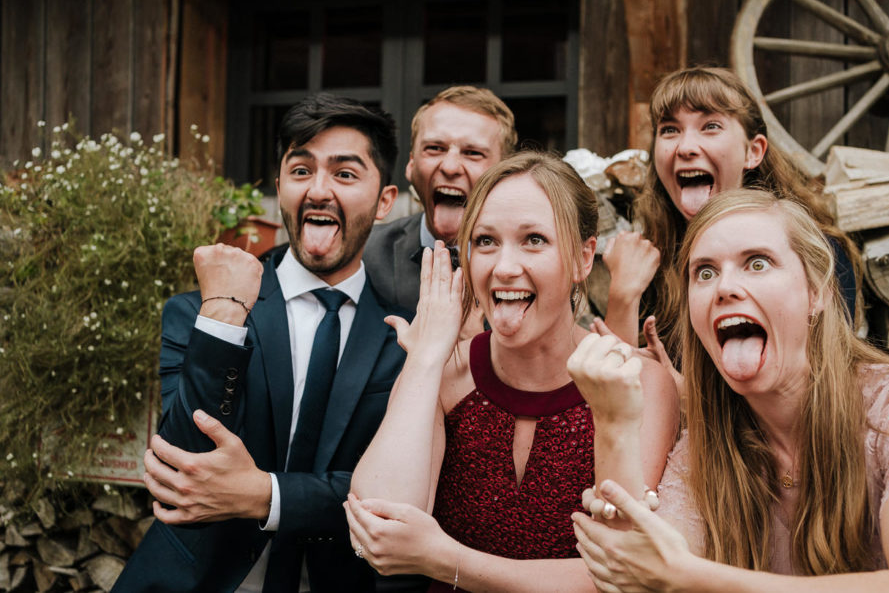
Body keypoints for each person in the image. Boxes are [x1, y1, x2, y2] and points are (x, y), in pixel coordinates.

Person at [571, 189, 889, 592]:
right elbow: (627, 577)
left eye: (758, 263)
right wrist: (614, 422)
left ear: (818, 293)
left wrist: (692, 578)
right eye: (704, 273)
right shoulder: (707, 450)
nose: (725, 287)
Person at [115, 94, 412, 592]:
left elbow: (395, 499)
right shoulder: (197, 312)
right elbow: (181, 470)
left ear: (385, 200)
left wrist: (265, 496)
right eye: (301, 170)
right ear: (280, 188)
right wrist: (225, 315)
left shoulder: (404, 337)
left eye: (344, 174)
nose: (319, 190)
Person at [345, 152, 679, 591]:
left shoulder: (637, 381)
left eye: (534, 240)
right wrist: (426, 358)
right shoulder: (446, 372)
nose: (504, 267)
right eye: (485, 241)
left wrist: (445, 559)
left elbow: (619, 572)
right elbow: (378, 531)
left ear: (583, 258)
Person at [601, 66, 859, 354]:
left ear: (753, 151)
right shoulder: (652, 260)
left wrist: (680, 390)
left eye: (710, 126)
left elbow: (822, 377)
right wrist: (623, 293)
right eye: (670, 130)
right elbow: (609, 382)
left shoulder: (815, 254)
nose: (685, 147)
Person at [364, 86, 517, 314]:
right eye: (435, 148)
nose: (450, 167)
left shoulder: (528, 264)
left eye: (473, 153)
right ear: (411, 165)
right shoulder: (366, 253)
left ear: (504, 174)